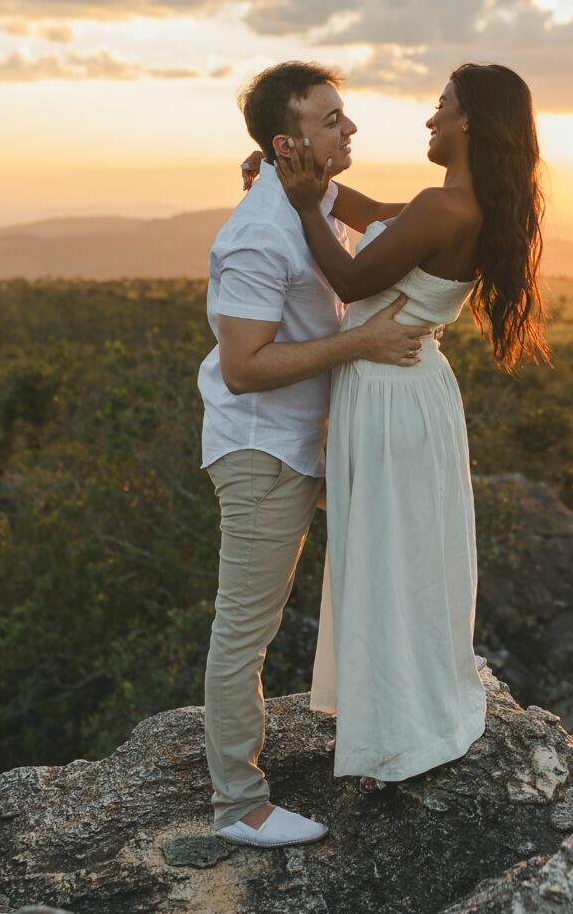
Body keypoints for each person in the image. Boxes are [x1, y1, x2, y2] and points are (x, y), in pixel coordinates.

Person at [272, 62, 550, 785]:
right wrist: (306, 178)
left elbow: (353, 279)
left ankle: (397, 722)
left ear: (471, 124)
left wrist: (305, 208)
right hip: (407, 382)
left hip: (390, 388)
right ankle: (403, 702)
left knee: (390, 551)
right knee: (407, 552)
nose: (429, 119)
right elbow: (368, 215)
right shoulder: (458, 204)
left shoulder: (444, 205)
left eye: (441, 106)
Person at [198, 61, 439, 848]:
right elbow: (242, 367)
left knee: (391, 547)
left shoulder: (311, 196)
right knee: (246, 628)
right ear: (286, 142)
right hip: (263, 452)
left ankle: (411, 705)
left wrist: (484, 202)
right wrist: (361, 341)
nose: (350, 128)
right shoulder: (258, 236)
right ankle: (237, 803)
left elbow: (407, 219)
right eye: (332, 118)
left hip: (309, 440)